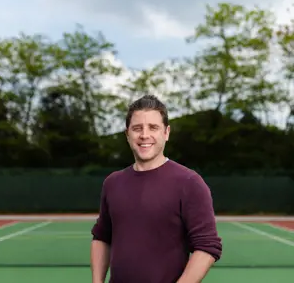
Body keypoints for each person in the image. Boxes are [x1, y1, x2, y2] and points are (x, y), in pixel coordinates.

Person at [90, 95, 222, 283]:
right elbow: (102, 237)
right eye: (137, 128)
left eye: (153, 127)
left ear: (166, 132)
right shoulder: (112, 183)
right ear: (127, 134)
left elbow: (207, 247)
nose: (144, 135)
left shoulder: (189, 182)